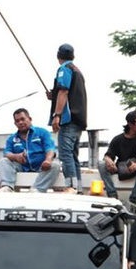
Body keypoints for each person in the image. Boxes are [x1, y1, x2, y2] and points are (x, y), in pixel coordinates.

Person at [48, 43, 87, 192]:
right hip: (79, 119)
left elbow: (64, 92)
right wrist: (54, 96)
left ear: (58, 56)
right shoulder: (77, 71)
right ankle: (78, 187)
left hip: (69, 119)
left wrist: (57, 115)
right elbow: (66, 93)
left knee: (65, 154)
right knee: (73, 155)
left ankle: (70, 186)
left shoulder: (64, 69)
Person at [0, 108, 61, 192]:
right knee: (3, 161)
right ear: (15, 123)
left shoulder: (42, 132)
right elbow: (6, 153)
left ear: (30, 119)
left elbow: (50, 149)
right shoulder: (12, 138)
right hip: (22, 167)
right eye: (17, 121)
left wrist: (48, 160)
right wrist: (16, 156)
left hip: (41, 166)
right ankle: (7, 187)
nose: (20, 122)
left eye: (23, 119)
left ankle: (36, 189)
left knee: (55, 165)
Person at [98, 110, 136, 206]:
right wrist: (109, 161)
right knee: (101, 164)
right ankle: (112, 195)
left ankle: (134, 197)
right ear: (130, 124)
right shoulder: (117, 139)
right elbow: (108, 155)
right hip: (120, 167)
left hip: (135, 168)